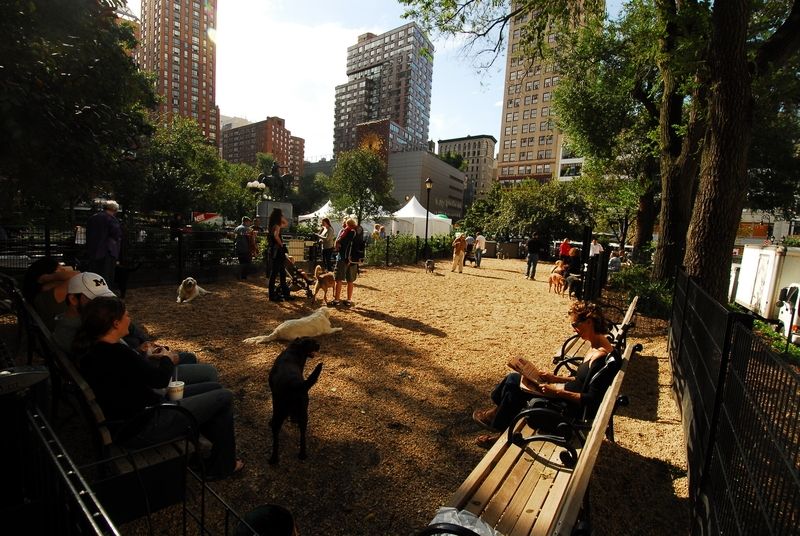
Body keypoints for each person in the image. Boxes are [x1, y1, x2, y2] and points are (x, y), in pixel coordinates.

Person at [74, 296, 243, 479]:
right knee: (224, 397)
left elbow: (132, 375)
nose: (129, 319)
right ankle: (221, 467)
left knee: (214, 387)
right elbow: (160, 380)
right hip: (146, 425)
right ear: (115, 323)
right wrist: (166, 359)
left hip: (133, 419)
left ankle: (213, 459)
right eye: (127, 315)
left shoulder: (94, 350)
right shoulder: (118, 353)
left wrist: (143, 357)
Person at [471, 302, 621, 448]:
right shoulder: (597, 346)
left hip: (568, 409)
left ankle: (499, 429)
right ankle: (496, 417)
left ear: (589, 322)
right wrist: (554, 378)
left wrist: (556, 392)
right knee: (514, 378)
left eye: (575, 324)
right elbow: (582, 380)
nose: (574, 330)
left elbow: (591, 399)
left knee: (514, 389)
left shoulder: (601, 357)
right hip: (564, 395)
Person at [53, 272, 218, 385]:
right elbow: (120, 367)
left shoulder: (95, 319)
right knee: (209, 375)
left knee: (189, 357)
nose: (105, 305)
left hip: (139, 364)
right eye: (96, 300)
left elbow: (130, 335)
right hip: (141, 379)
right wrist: (154, 359)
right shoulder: (78, 333)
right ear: (73, 300)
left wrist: (143, 347)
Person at [23, 257, 80, 330]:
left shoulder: (40, 294)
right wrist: (46, 278)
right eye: (60, 269)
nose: (64, 270)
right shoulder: (50, 294)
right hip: (64, 330)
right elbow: (76, 275)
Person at [85, 200, 122, 290]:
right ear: (114, 210)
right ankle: (106, 292)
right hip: (107, 250)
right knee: (107, 274)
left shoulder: (93, 218)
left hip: (93, 250)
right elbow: (116, 234)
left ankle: (93, 291)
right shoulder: (111, 219)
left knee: (94, 273)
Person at [331, 218, 359, 306]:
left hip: (342, 258)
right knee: (350, 281)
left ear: (346, 224)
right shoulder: (357, 233)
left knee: (339, 279)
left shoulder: (344, 232)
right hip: (353, 259)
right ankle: (349, 300)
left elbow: (337, 245)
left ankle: (336, 300)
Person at [266, 208, 292, 302]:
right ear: (279, 216)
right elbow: (276, 235)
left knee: (281, 273)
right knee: (276, 273)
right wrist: (281, 244)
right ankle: (272, 296)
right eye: (281, 215)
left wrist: (281, 217)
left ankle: (285, 294)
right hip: (277, 252)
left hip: (274, 252)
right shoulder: (276, 226)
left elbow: (286, 224)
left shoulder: (272, 225)